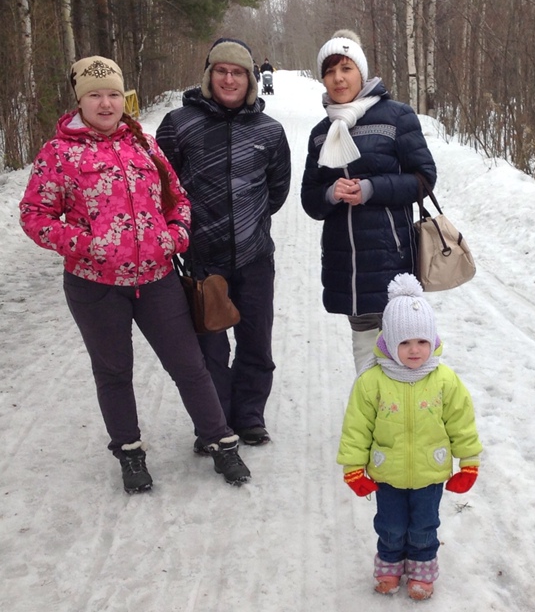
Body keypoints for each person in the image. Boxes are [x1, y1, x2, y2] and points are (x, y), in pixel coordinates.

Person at [19, 55, 252, 493]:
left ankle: (220, 439)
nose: (105, 103)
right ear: (80, 100)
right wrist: (88, 245)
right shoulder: (58, 153)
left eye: (112, 94)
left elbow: (178, 200)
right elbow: (34, 215)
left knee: (189, 363)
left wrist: (175, 236)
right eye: (95, 95)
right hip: (95, 286)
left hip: (157, 278)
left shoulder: (142, 143)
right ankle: (129, 452)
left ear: (123, 96)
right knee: (113, 370)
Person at [157, 38, 291, 449]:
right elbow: (162, 188)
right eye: (221, 71)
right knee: (208, 351)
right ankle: (215, 423)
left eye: (238, 72)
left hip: (254, 259)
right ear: (209, 75)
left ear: (250, 79)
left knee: (256, 342)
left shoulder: (269, 131)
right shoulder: (179, 125)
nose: (229, 79)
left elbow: (277, 190)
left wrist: (248, 223)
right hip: (202, 261)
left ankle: (250, 417)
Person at [337, 273, 483, 600]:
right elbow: (357, 426)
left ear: (433, 339)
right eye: (404, 343)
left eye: (421, 341)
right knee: (389, 524)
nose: (414, 350)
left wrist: (469, 461)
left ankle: (421, 567)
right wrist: (353, 467)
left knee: (424, 525)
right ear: (388, 342)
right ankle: (389, 564)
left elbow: (461, 421)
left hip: (430, 472)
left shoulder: (444, 380)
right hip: (387, 472)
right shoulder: (372, 381)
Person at [301, 30, 437, 373]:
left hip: (393, 262)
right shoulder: (320, 133)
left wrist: (372, 188)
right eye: (330, 71)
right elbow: (310, 200)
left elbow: (423, 179)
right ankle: (373, 425)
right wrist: (332, 194)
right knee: (365, 360)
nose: (338, 78)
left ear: (361, 72)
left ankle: (412, 423)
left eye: (345, 68)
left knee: (406, 357)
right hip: (348, 268)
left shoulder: (396, 117)